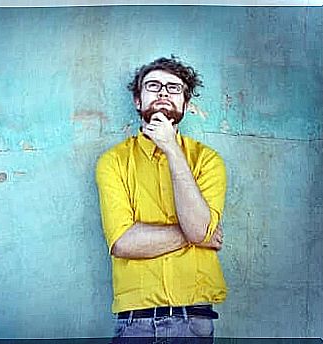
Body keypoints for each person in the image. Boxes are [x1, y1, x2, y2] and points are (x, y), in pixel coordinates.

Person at [95, 56, 227, 344]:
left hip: (194, 322)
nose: (164, 93)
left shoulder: (208, 161)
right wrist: (197, 235)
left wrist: (171, 148)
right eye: (153, 85)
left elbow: (199, 229)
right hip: (135, 324)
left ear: (186, 103)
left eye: (174, 88)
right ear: (138, 101)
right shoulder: (113, 161)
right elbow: (123, 242)